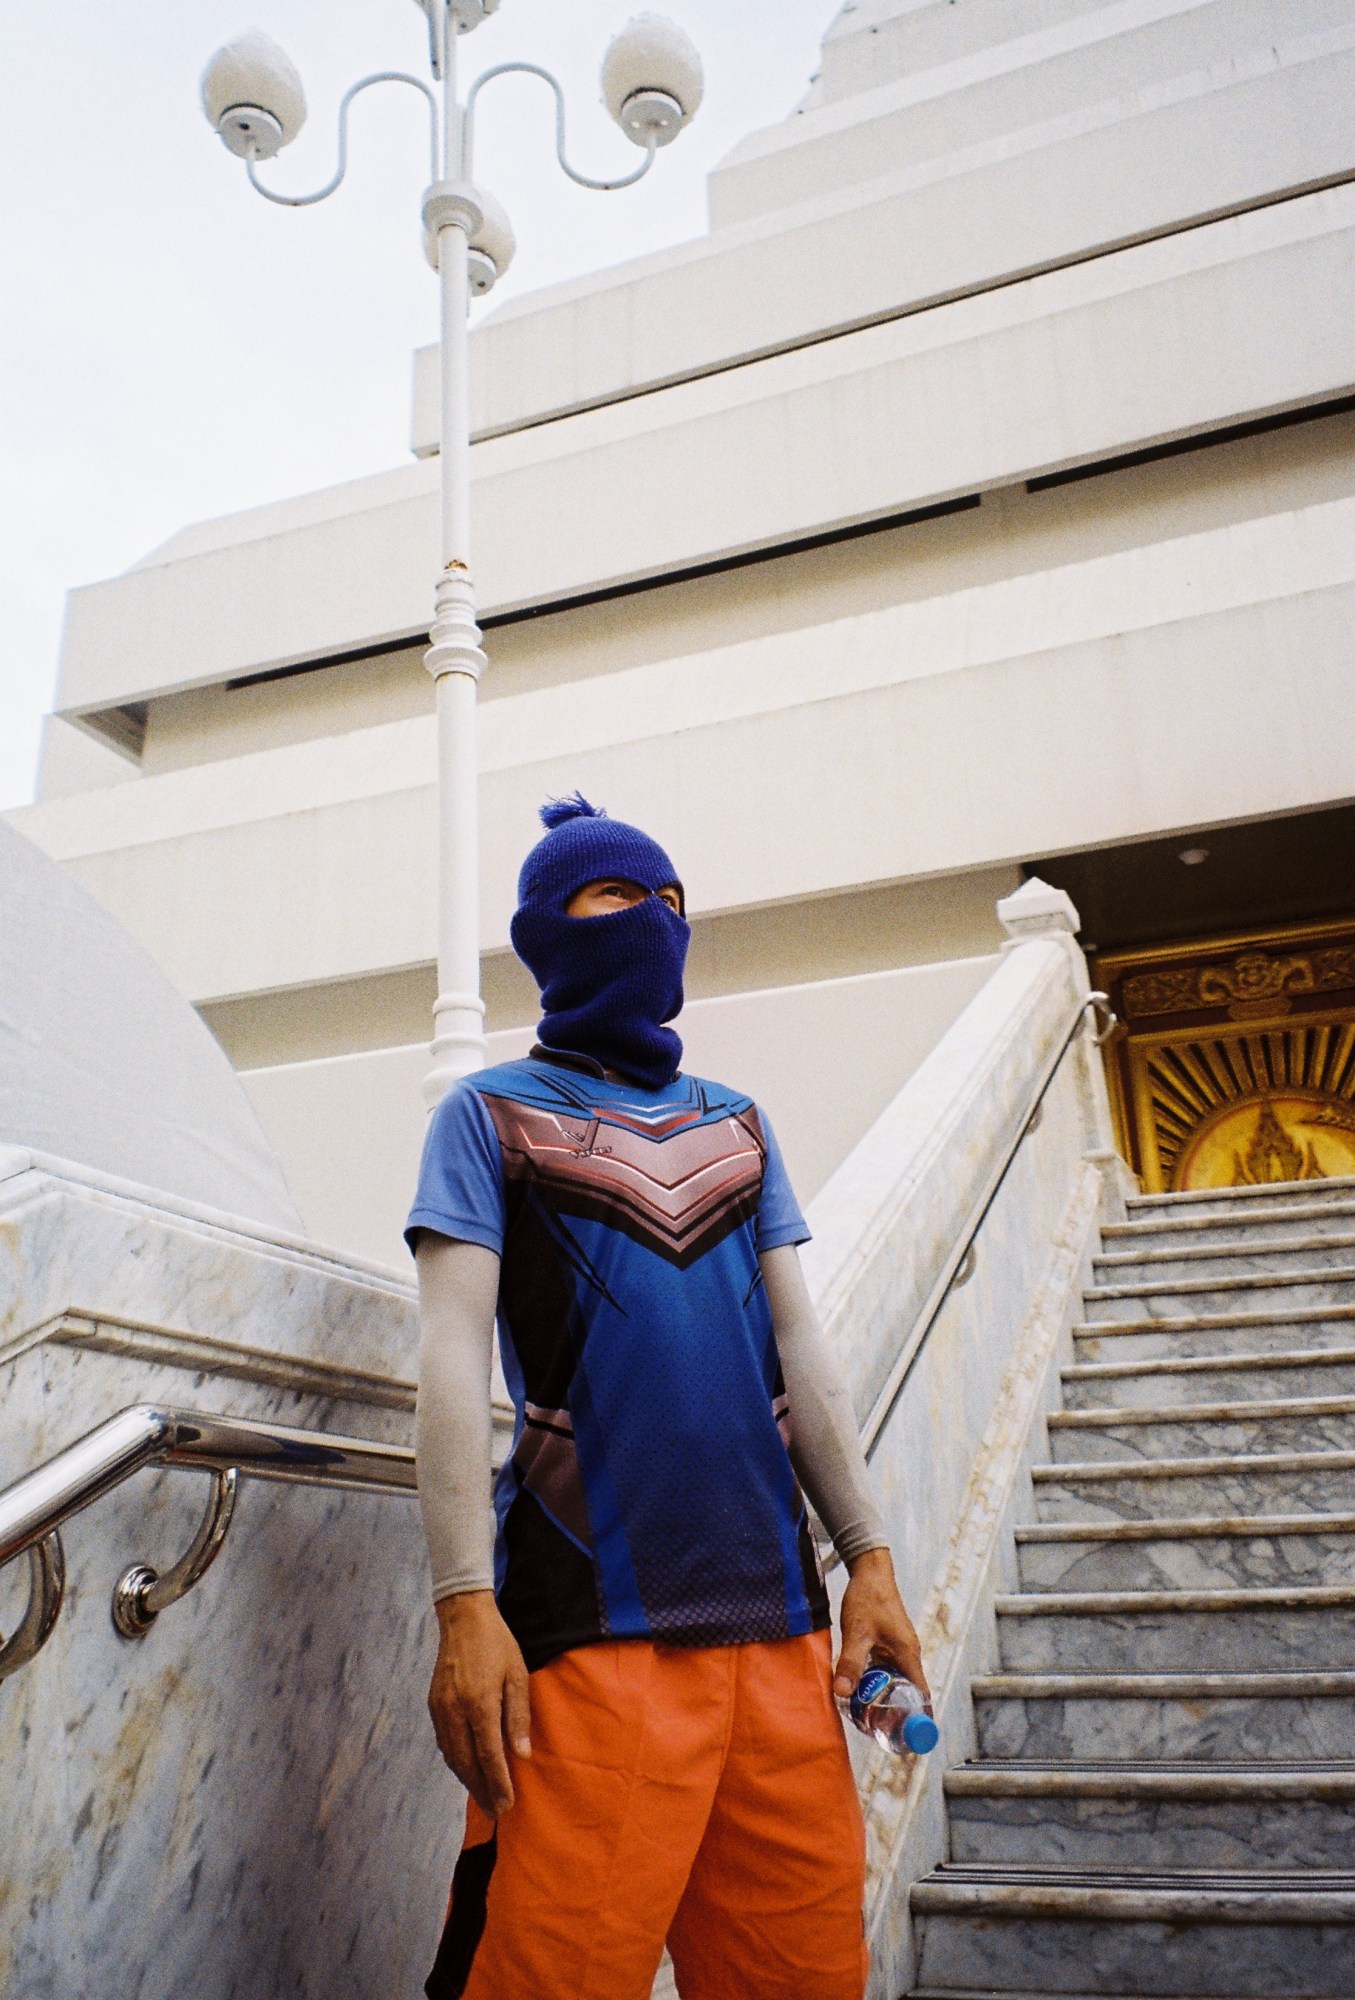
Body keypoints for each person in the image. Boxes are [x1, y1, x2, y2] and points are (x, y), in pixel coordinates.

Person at [406, 795, 928, 2000]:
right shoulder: (484, 1116)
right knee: (543, 1974)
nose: (653, 920)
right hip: (591, 1641)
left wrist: (872, 1559)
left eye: (673, 900)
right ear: (547, 928)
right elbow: (446, 1363)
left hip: (787, 1636)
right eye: (615, 896)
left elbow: (804, 1356)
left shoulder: (738, 1124)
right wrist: (460, 1604)